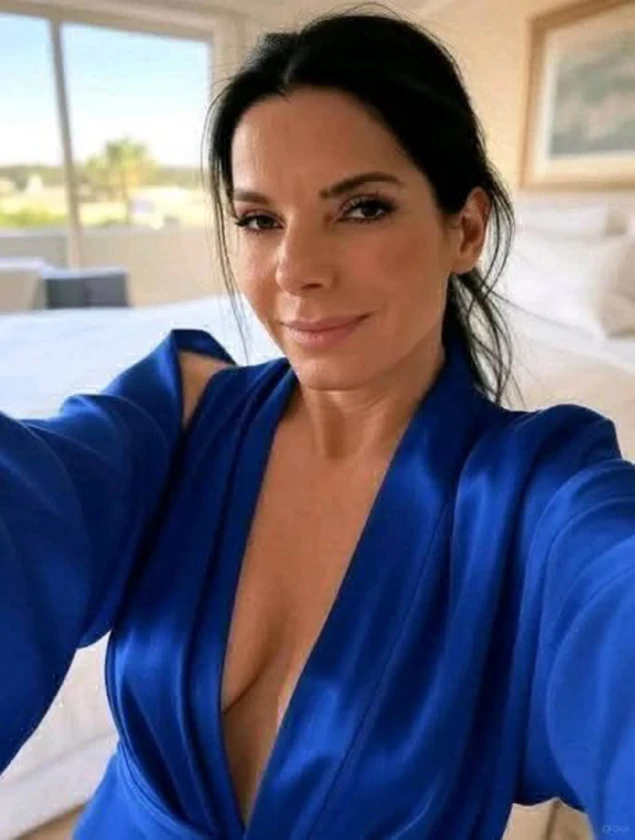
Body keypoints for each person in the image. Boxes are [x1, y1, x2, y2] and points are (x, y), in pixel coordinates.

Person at [1, 6, 634, 839]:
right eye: (260, 220)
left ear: (465, 228)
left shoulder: (538, 496)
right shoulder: (184, 413)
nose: (294, 270)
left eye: (361, 208)